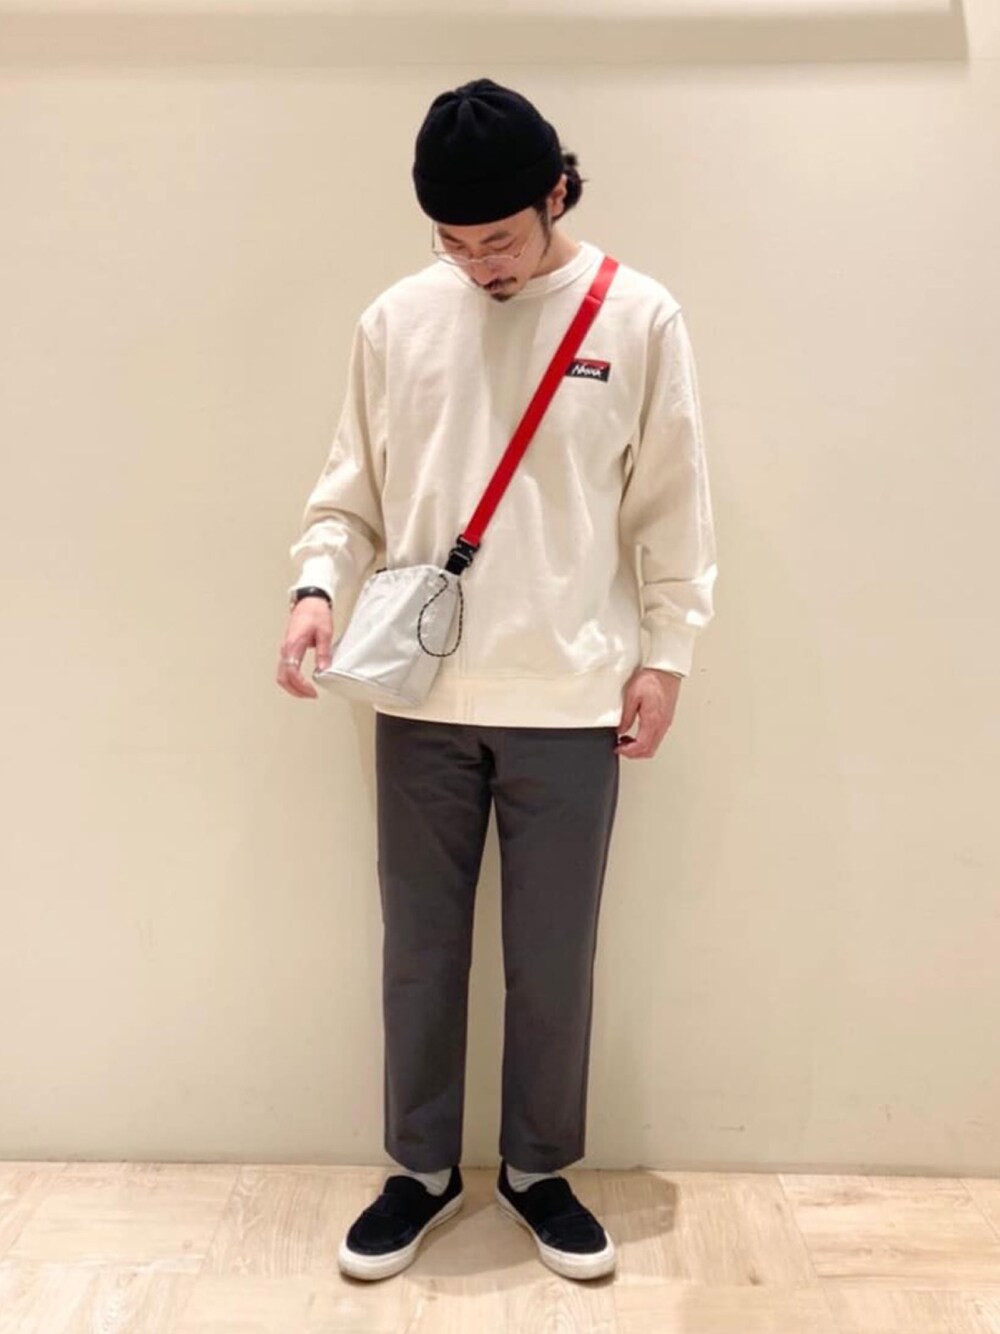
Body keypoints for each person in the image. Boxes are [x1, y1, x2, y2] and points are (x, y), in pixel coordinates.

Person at [276, 77, 717, 1283]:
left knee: (553, 953)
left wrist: (667, 651)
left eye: (502, 239)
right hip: (419, 699)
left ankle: (536, 1169)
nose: (481, 266)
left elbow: (672, 503)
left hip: (571, 694)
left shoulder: (638, 316)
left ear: (557, 191)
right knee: (418, 947)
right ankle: (420, 1169)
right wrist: (315, 586)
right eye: (454, 242)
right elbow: (348, 489)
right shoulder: (395, 320)